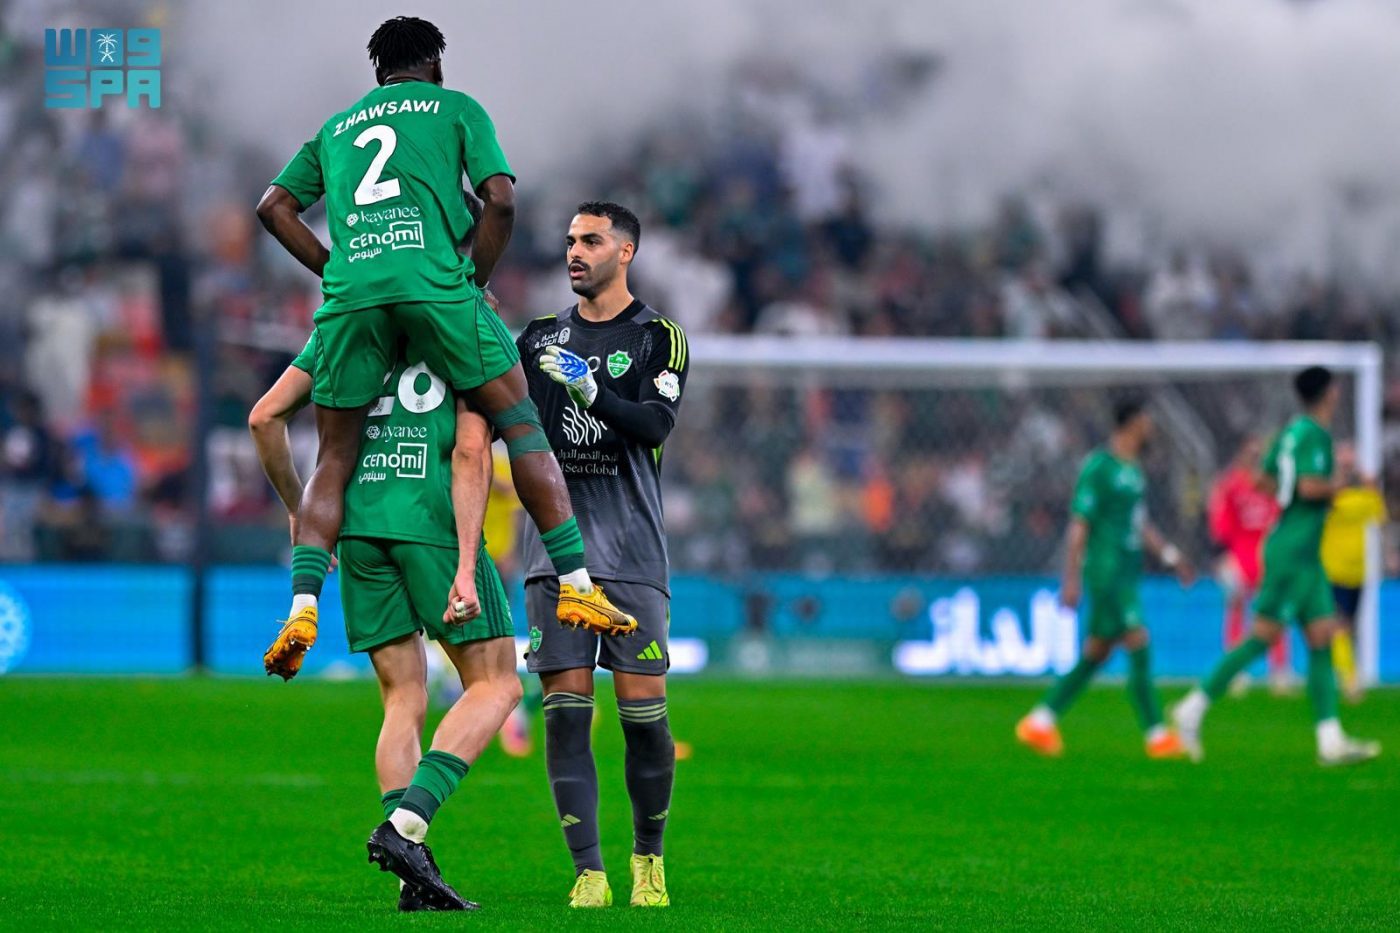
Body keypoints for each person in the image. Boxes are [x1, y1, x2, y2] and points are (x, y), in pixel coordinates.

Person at [256, 16, 633, 680]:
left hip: (351, 298)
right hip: (436, 289)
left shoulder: (337, 128)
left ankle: (303, 604)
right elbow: (501, 202)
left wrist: (338, 272)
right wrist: (473, 283)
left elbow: (273, 207)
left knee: (334, 455)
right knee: (521, 423)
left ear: (378, 70)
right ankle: (576, 582)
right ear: (434, 63)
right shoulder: (456, 108)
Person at [249, 337, 521, 911]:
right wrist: (467, 561)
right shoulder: (458, 329)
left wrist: (300, 509)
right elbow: (470, 451)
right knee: (497, 684)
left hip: (357, 528)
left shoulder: (344, 328)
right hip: (431, 522)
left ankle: (411, 882)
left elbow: (264, 418)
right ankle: (406, 826)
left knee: (403, 695)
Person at [518, 202, 686, 908]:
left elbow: (654, 424)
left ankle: (648, 856)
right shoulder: (538, 338)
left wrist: (591, 390)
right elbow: (501, 422)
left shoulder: (657, 338)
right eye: (569, 241)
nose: (575, 252)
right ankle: (588, 869)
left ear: (626, 252)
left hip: (631, 552)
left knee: (644, 719)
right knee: (564, 713)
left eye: (591, 240)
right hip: (554, 556)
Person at [1173, 367, 1380, 766]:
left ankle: (1330, 739)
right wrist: (1344, 483)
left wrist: (1292, 498)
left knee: (1321, 634)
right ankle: (1193, 707)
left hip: (1303, 552)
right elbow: (1308, 486)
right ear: (1329, 393)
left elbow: (1263, 480)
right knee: (1263, 636)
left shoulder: (1289, 433)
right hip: (1293, 551)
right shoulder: (1315, 435)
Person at [1016, 399, 1193, 759]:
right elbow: (1079, 525)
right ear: (1132, 422)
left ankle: (1039, 721)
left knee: (1096, 653)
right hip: (1106, 571)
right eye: (1146, 420)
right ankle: (1157, 735)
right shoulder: (1098, 467)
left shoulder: (1134, 470)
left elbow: (1139, 524)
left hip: (1127, 570)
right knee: (1138, 641)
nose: (1151, 427)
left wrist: (1170, 556)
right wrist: (1071, 579)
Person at [1207, 436, 1290, 695]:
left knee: (1275, 612)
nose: (1255, 458)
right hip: (1240, 556)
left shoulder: (1271, 485)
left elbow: (1282, 519)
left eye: (1258, 453)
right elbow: (1221, 522)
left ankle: (1279, 671)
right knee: (1236, 609)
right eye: (1251, 453)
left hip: (1268, 555)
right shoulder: (1231, 485)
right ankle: (1236, 671)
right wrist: (1223, 555)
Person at [1319, 442, 1386, 704]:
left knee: (1346, 626)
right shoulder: (1333, 500)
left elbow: (1380, 514)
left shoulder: (1356, 499)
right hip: (1334, 571)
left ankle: (1346, 673)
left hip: (1356, 573)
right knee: (1339, 625)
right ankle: (1349, 677)